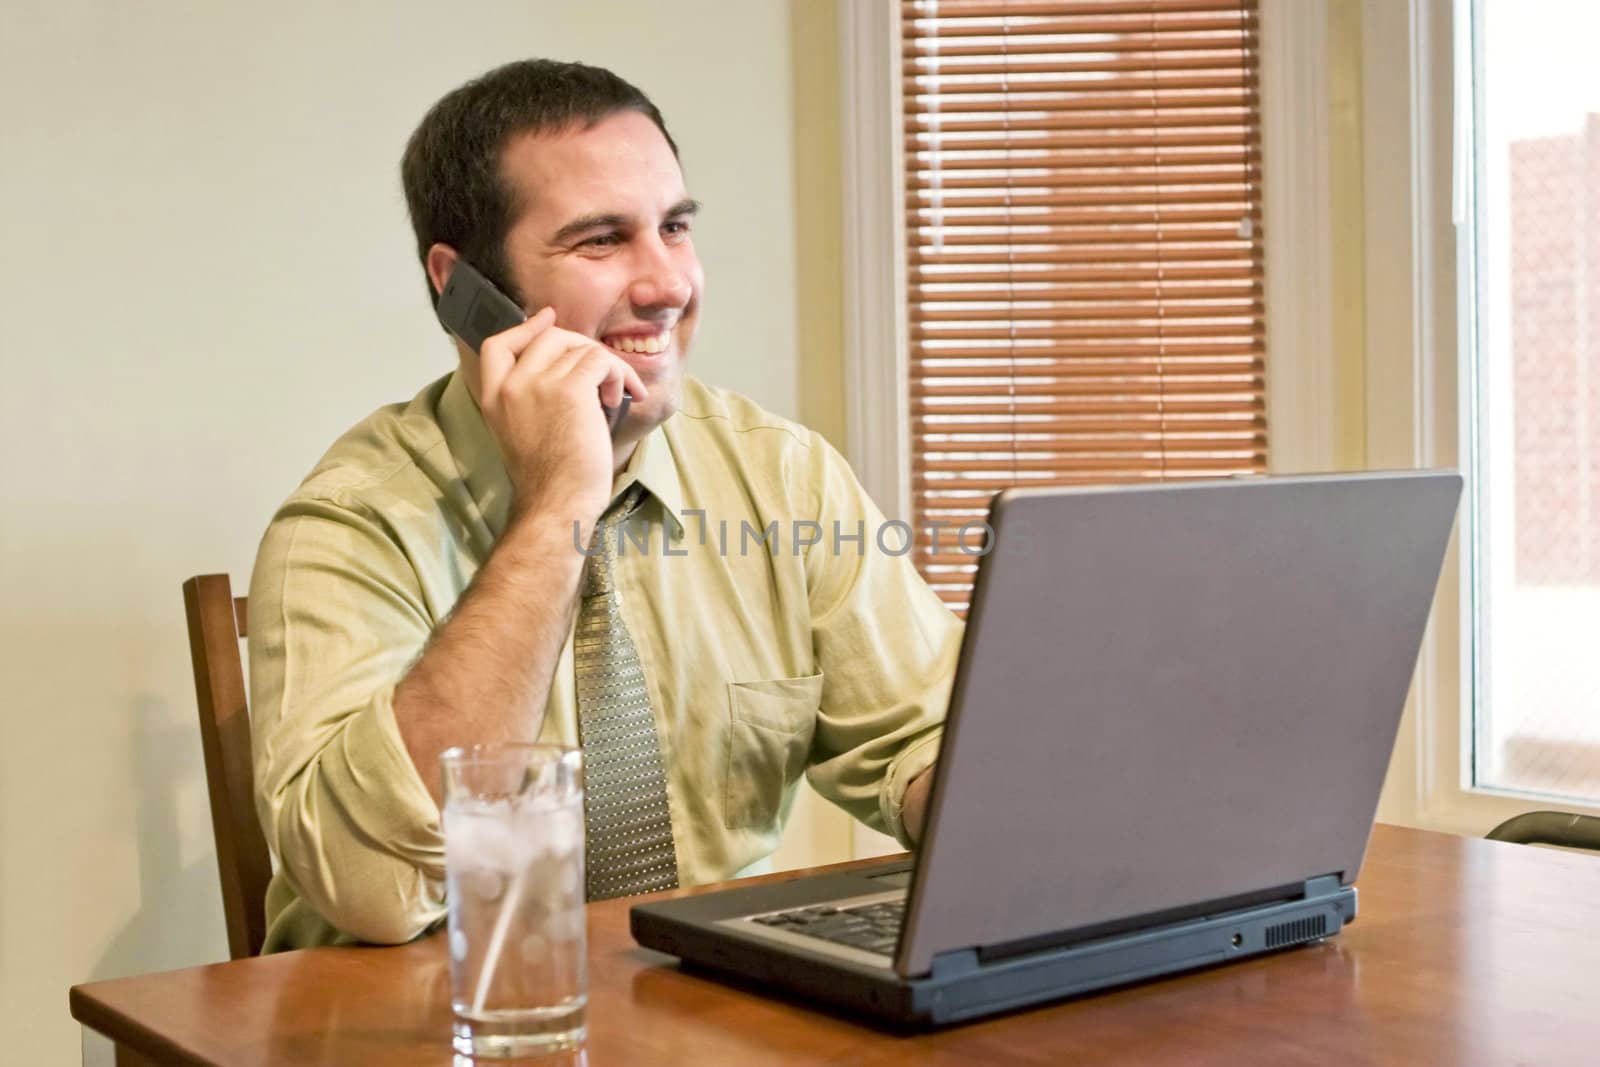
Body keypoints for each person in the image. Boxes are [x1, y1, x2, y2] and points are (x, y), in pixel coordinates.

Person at [247, 58, 962, 952]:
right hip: (433, 1026)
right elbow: (373, 889)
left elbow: (928, 740)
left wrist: (997, 800)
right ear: (461, 285)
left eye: (674, 227)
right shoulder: (351, 523)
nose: (667, 284)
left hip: (705, 1012)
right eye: (600, 241)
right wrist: (558, 507)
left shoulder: (780, 476)